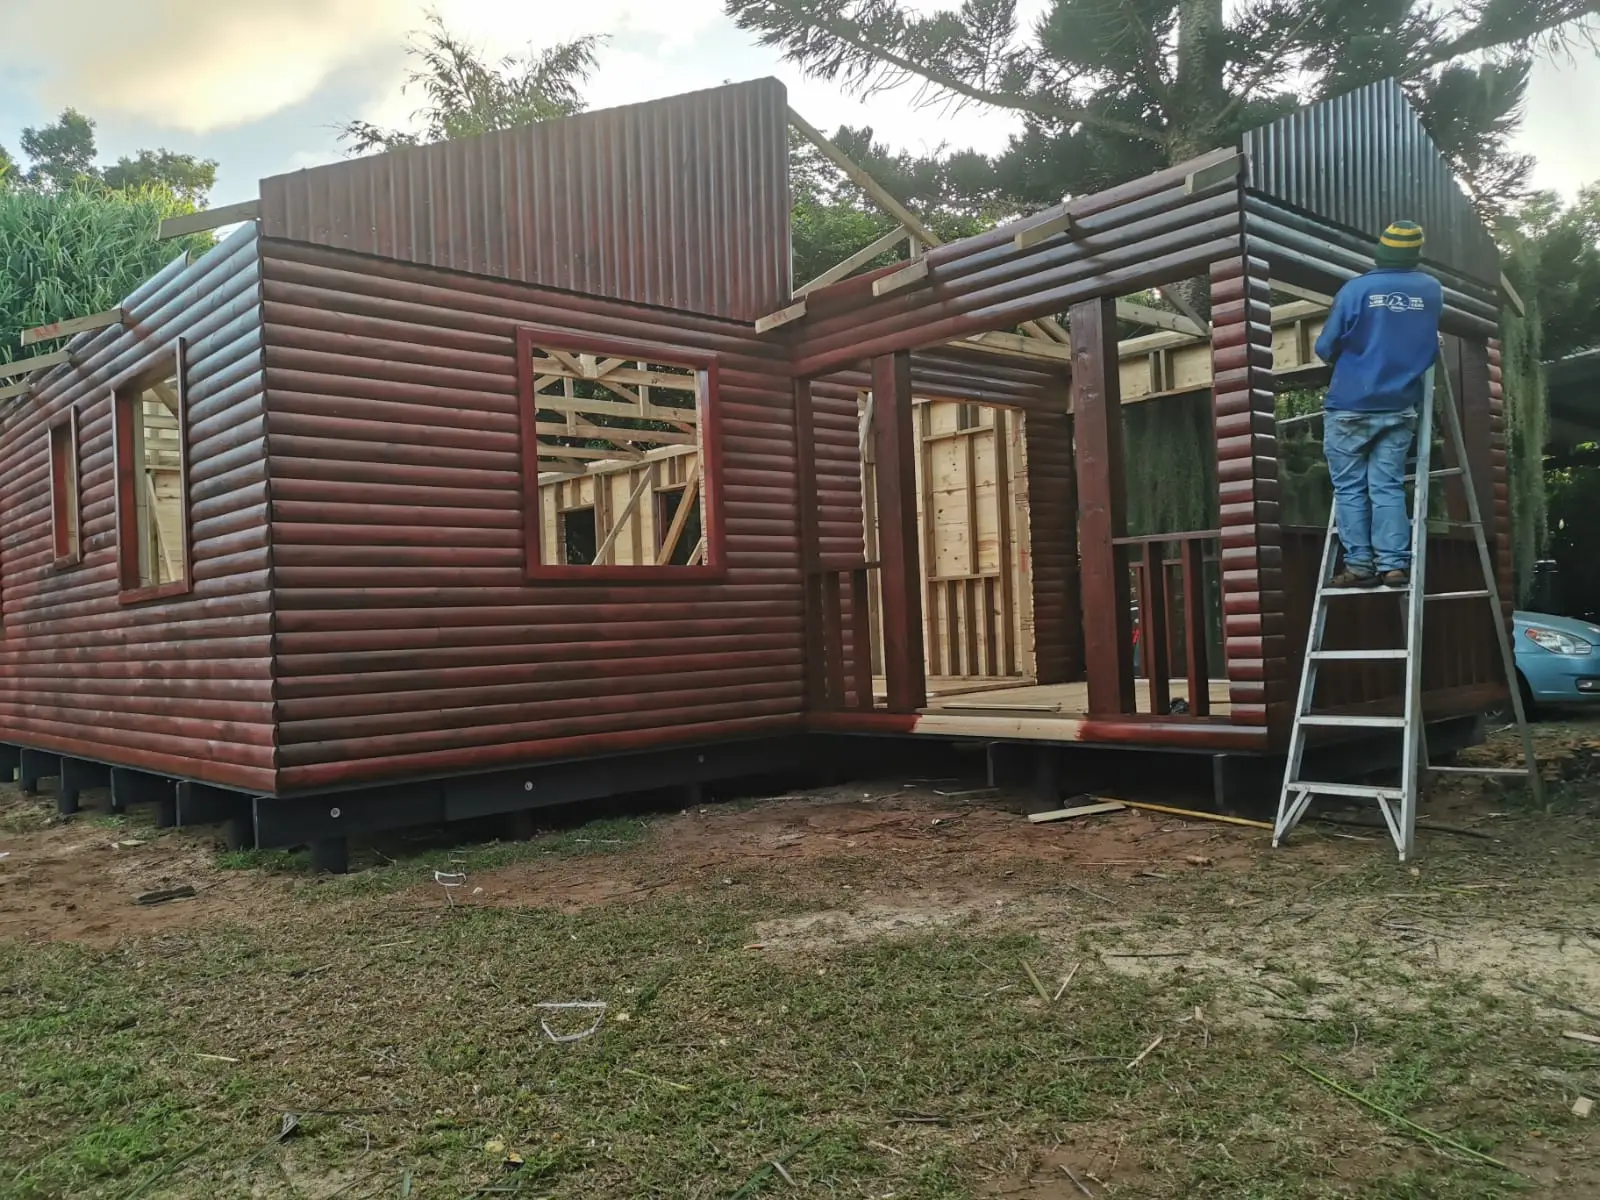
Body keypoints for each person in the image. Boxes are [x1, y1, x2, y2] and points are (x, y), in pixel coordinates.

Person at [1312, 220, 1443, 588]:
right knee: (1386, 486)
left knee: (1351, 488)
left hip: (1350, 405)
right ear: (1415, 254)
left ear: (1380, 250)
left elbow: (1325, 348)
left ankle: (1359, 566)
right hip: (1399, 406)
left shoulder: (1357, 290)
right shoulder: (1431, 290)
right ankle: (1394, 566)